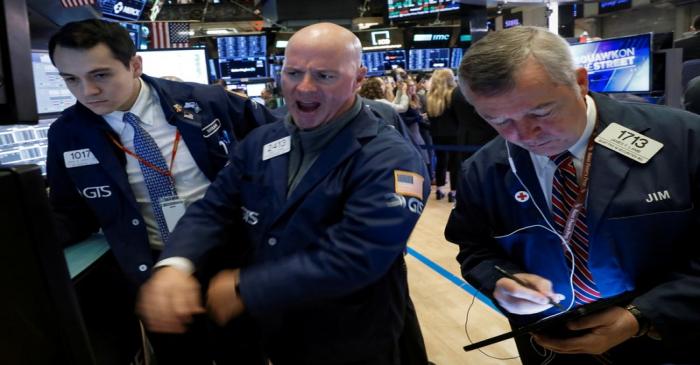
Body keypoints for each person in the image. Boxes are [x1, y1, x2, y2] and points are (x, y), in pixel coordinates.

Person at [137, 22, 430, 365]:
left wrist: (247, 287)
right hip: (268, 330)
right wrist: (175, 264)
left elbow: (359, 254)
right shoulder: (263, 140)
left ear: (359, 78)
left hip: (346, 334)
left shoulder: (389, 157)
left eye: (324, 76)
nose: (304, 88)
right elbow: (214, 208)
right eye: (293, 73)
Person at [444, 26, 700, 364]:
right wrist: (502, 281)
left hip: (669, 341)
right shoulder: (485, 168)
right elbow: (475, 249)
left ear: (580, 82)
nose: (524, 135)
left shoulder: (682, 141)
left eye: (541, 112)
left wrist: (642, 315)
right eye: (499, 120)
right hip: (553, 344)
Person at [46, 19, 275, 364]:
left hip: (229, 262)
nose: (86, 91)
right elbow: (69, 212)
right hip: (154, 272)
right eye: (70, 79)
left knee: (245, 352)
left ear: (135, 65)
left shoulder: (206, 101)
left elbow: (280, 143)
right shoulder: (67, 134)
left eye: (100, 75)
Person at [426, 68, 461, 202]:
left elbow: (431, 117)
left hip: (436, 135)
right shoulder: (454, 94)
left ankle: (439, 190)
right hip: (454, 134)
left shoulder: (430, 96)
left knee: (441, 161)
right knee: (455, 163)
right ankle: (453, 192)